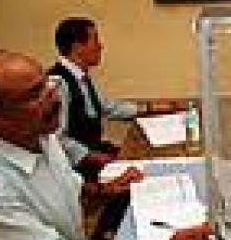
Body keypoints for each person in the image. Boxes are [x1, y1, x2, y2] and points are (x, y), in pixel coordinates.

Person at [0, 50, 210, 240]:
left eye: (47, 83)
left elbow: (67, 186)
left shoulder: (37, 132)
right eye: (34, 94)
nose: (53, 96)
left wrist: (104, 190)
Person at [49, 17, 165, 178]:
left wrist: (150, 109)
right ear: (78, 47)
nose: (100, 46)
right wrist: (95, 157)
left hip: (95, 152)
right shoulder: (58, 83)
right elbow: (56, 138)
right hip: (78, 169)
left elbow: (108, 106)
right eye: (95, 40)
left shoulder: (81, 78)